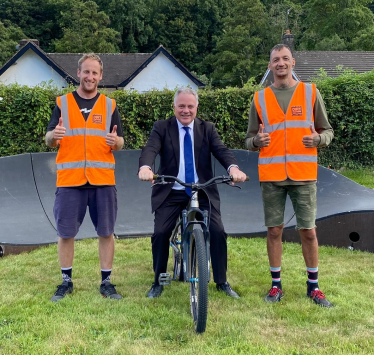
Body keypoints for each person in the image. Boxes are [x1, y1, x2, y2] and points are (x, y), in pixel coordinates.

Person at [245, 44, 334, 307]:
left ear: (293, 62)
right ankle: (276, 286)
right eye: (275, 60)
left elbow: (327, 131)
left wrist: (318, 139)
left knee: (308, 231)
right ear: (270, 65)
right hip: (272, 175)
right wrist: (256, 142)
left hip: (303, 174)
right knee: (274, 231)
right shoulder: (259, 98)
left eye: (285, 58)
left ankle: (314, 287)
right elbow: (249, 139)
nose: (281, 63)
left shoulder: (310, 92)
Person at [138, 86, 247, 299]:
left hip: (202, 189)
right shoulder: (162, 127)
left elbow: (221, 151)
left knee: (217, 231)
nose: (185, 110)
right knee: (161, 233)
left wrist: (233, 168)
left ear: (196, 107)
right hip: (172, 189)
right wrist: (146, 168)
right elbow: (150, 149)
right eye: (181, 106)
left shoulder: (207, 129)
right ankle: (158, 280)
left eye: (190, 106)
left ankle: (222, 281)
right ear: (174, 107)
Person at [45, 53, 124, 302]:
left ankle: (106, 282)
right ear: (77, 73)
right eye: (86, 72)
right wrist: (54, 135)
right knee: (66, 232)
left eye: (95, 73)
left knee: (106, 232)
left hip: (102, 180)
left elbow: (120, 141)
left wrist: (116, 142)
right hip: (70, 180)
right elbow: (48, 140)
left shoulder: (110, 105)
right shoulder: (63, 103)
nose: (90, 76)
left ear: (101, 76)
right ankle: (66, 281)